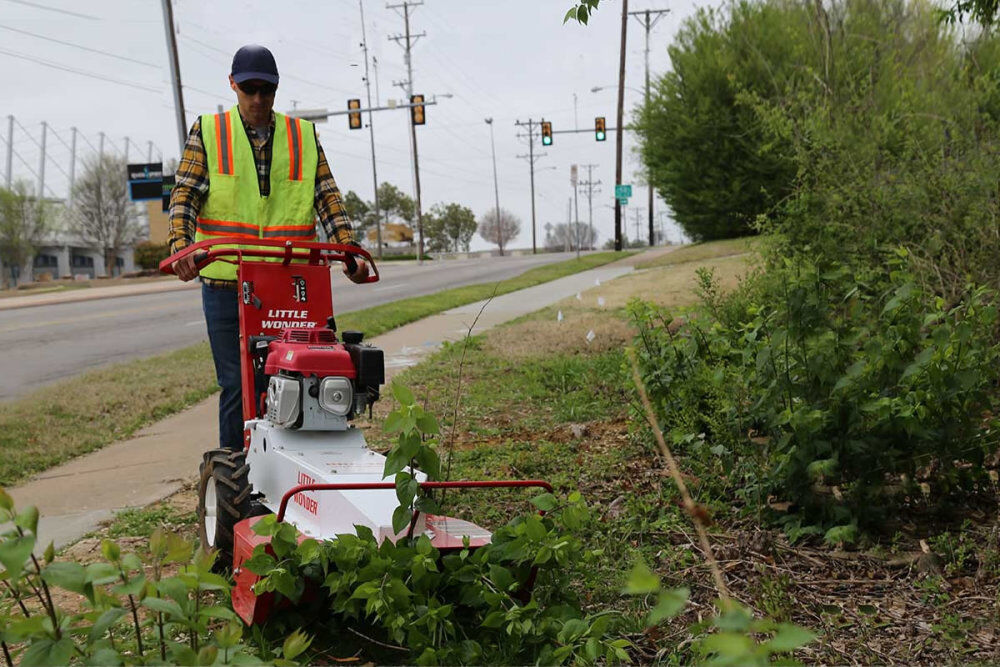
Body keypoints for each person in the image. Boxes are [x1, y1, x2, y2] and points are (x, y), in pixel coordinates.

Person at [168, 44, 369, 452]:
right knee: (238, 385)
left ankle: (306, 467)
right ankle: (237, 476)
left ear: (276, 89)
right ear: (233, 86)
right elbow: (185, 195)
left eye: (266, 90)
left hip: (291, 284)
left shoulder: (303, 136)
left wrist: (348, 249)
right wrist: (182, 246)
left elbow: (327, 196)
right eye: (249, 89)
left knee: (305, 375)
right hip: (228, 284)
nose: (258, 99)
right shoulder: (209, 131)